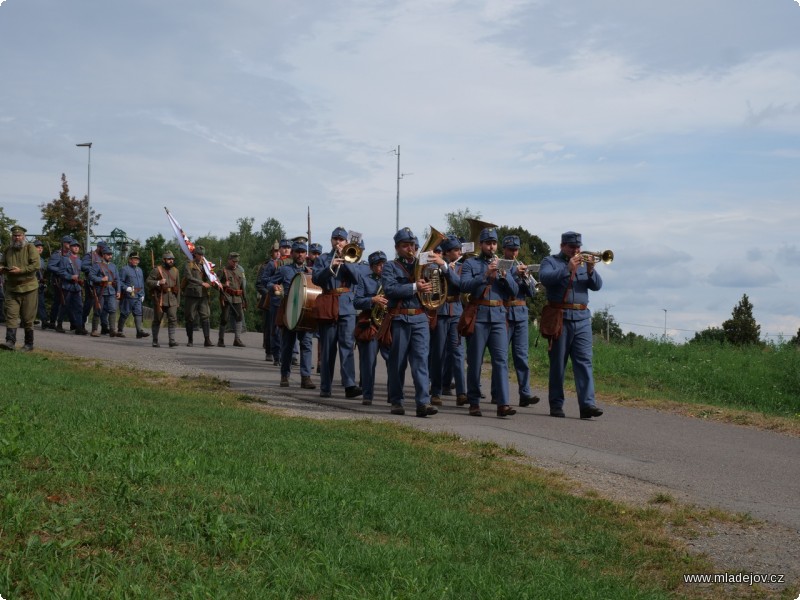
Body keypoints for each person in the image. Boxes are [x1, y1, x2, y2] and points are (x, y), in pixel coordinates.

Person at [539, 231, 604, 419]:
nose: (576, 250)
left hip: (582, 318)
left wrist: (591, 270)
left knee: (585, 362)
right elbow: (545, 278)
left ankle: (587, 405)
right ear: (562, 246)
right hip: (561, 317)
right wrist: (567, 269)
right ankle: (556, 405)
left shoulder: (584, 263)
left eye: (578, 247)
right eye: (571, 247)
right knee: (558, 364)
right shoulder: (550, 261)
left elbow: (597, 286)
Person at [460, 227, 518, 417]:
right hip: (479, 315)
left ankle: (503, 403)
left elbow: (514, 291)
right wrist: (485, 274)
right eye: (488, 243)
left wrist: (503, 276)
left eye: (494, 243)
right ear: (481, 244)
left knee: (501, 361)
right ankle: (474, 402)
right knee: (475, 361)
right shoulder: (470, 264)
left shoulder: (503, 264)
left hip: (499, 317)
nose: (491, 247)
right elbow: (464, 285)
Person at [381, 227, 438, 418]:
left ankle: (423, 402)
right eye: (405, 245)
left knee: (421, 361)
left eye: (412, 245)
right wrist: (415, 286)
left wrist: (436, 273)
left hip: (420, 317)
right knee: (397, 362)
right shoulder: (390, 266)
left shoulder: (423, 265)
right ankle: (397, 401)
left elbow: (434, 288)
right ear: (397, 248)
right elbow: (389, 289)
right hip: (400, 317)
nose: (410, 249)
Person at [311, 227, 362, 399]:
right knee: (328, 349)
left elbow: (357, 278)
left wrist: (346, 261)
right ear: (331, 240)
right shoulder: (324, 258)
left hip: (346, 307)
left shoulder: (352, 257)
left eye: (341, 240)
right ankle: (325, 387)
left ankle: (349, 386)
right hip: (328, 304)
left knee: (347, 346)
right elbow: (316, 278)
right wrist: (330, 267)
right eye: (335, 239)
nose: (338, 242)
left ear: (346, 242)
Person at [429, 235, 467, 407]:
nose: (459, 252)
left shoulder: (461, 267)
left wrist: (446, 268)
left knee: (458, 354)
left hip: (457, 312)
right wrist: (441, 267)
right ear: (446, 253)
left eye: (459, 250)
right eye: (456, 250)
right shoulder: (433, 267)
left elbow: (460, 284)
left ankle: (462, 392)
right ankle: (436, 391)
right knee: (438, 354)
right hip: (441, 312)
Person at [501, 234, 540, 407]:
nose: (514, 253)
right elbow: (501, 285)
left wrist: (526, 278)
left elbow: (532, 293)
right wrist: (514, 273)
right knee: (501, 356)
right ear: (504, 250)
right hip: (505, 312)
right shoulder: (501, 264)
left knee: (522, 356)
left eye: (516, 249)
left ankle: (525, 394)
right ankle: (498, 394)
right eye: (510, 250)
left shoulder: (521, 265)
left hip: (521, 313)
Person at [271, 242, 316, 389]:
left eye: (303, 252)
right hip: (290, 312)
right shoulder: (284, 270)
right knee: (288, 346)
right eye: (297, 252)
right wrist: (273, 287)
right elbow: (268, 282)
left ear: (306, 254)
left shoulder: (311, 272)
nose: (300, 254)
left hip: (306, 314)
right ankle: (285, 376)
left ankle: (306, 377)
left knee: (306, 345)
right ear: (292, 254)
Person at [353, 250, 389, 405]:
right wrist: (373, 299)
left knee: (393, 361)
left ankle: (393, 395)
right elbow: (357, 301)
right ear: (372, 267)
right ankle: (367, 395)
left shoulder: (391, 280)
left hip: (388, 325)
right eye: (378, 265)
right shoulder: (365, 280)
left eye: (383, 264)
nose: (381, 267)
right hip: (371, 324)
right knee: (368, 362)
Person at [0, 226, 40, 351]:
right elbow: (2, 263)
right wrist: (1, 268)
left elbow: (36, 265)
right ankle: (10, 342)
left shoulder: (30, 248)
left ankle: (29, 344)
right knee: (11, 315)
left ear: (24, 236)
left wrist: (21, 271)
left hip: (29, 288)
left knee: (28, 318)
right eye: (15, 235)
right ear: (12, 237)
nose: (17, 238)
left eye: (19, 235)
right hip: (11, 288)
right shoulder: (8, 250)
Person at [147, 250, 180, 348]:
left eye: (172, 259)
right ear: (164, 259)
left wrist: (178, 301)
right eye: (169, 259)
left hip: (172, 299)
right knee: (157, 320)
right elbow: (148, 282)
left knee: (173, 319)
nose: (171, 261)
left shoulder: (175, 271)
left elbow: (178, 287)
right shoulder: (157, 270)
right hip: (160, 298)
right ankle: (155, 341)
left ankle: (172, 340)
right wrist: (158, 282)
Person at [183, 245, 214, 347]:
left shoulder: (206, 265)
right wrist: (201, 283)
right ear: (195, 254)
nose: (201, 256)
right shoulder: (189, 264)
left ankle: (207, 340)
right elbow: (188, 277)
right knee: (190, 317)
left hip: (203, 295)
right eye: (200, 254)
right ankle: (190, 340)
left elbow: (211, 276)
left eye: (202, 254)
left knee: (205, 316)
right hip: (192, 294)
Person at [89, 245, 121, 337]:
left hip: (111, 291)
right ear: (103, 255)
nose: (110, 256)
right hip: (101, 290)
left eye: (111, 254)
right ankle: (94, 330)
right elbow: (91, 276)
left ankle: (112, 330)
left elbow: (118, 279)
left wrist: (118, 291)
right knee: (98, 310)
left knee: (112, 310)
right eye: (108, 254)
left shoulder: (113, 266)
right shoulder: (97, 265)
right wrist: (101, 279)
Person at [57, 239, 87, 335]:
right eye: (74, 246)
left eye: (77, 246)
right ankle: (59, 324)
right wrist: (70, 277)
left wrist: (81, 279)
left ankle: (79, 327)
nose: (76, 248)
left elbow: (80, 273)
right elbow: (61, 272)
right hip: (67, 286)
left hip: (76, 287)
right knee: (64, 306)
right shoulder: (65, 259)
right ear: (70, 247)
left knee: (79, 307)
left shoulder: (79, 260)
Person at [217, 251, 247, 347]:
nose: (235, 263)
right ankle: (220, 340)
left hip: (237, 298)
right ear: (229, 260)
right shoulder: (223, 270)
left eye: (237, 261)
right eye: (233, 261)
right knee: (224, 318)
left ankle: (237, 339)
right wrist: (224, 285)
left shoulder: (239, 271)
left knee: (239, 317)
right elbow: (215, 283)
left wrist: (245, 300)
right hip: (227, 297)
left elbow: (242, 286)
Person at [117, 251, 149, 339]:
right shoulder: (125, 269)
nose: (136, 261)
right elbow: (120, 282)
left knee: (138, 313)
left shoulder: (140, 270)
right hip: (129, 295)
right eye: (134, 259)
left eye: (137, 259)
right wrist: (126, 288)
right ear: (130, 260)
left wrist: (143, 294)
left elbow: (142, 283)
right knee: (125, 313)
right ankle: (120, 330)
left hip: (138, 295)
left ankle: (139, 331)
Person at [47, 236, 72, 331]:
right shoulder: (57, 254)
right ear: (64, 243)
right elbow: (50, 266)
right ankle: (53, 321)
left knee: (69, 302)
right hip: (58, 281)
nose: (70, 245)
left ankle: (72, 323)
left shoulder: (70, 255)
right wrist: (62, 270)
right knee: (58, 302)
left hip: (68, 281)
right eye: (68, 243)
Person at [33, 239, 49, 328]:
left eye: (41, 248)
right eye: (38, 247)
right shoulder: (30, 258)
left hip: (40, 284)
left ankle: (44, 320)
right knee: (30, 304)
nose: (40, 249)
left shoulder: (42, 260)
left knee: (41, 303)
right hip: (32, 283)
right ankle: (26, 320)